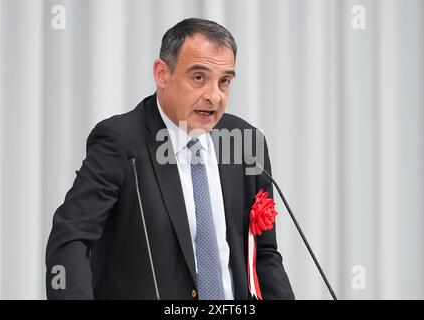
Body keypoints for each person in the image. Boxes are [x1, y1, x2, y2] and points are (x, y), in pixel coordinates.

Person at [46, 17, 294, 300]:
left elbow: (263, 254)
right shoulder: (121, 141)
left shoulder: (246, 142)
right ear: (162, 73)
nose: (214, 96)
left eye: (224, 81)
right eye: (198, 77)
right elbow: (71, 237)